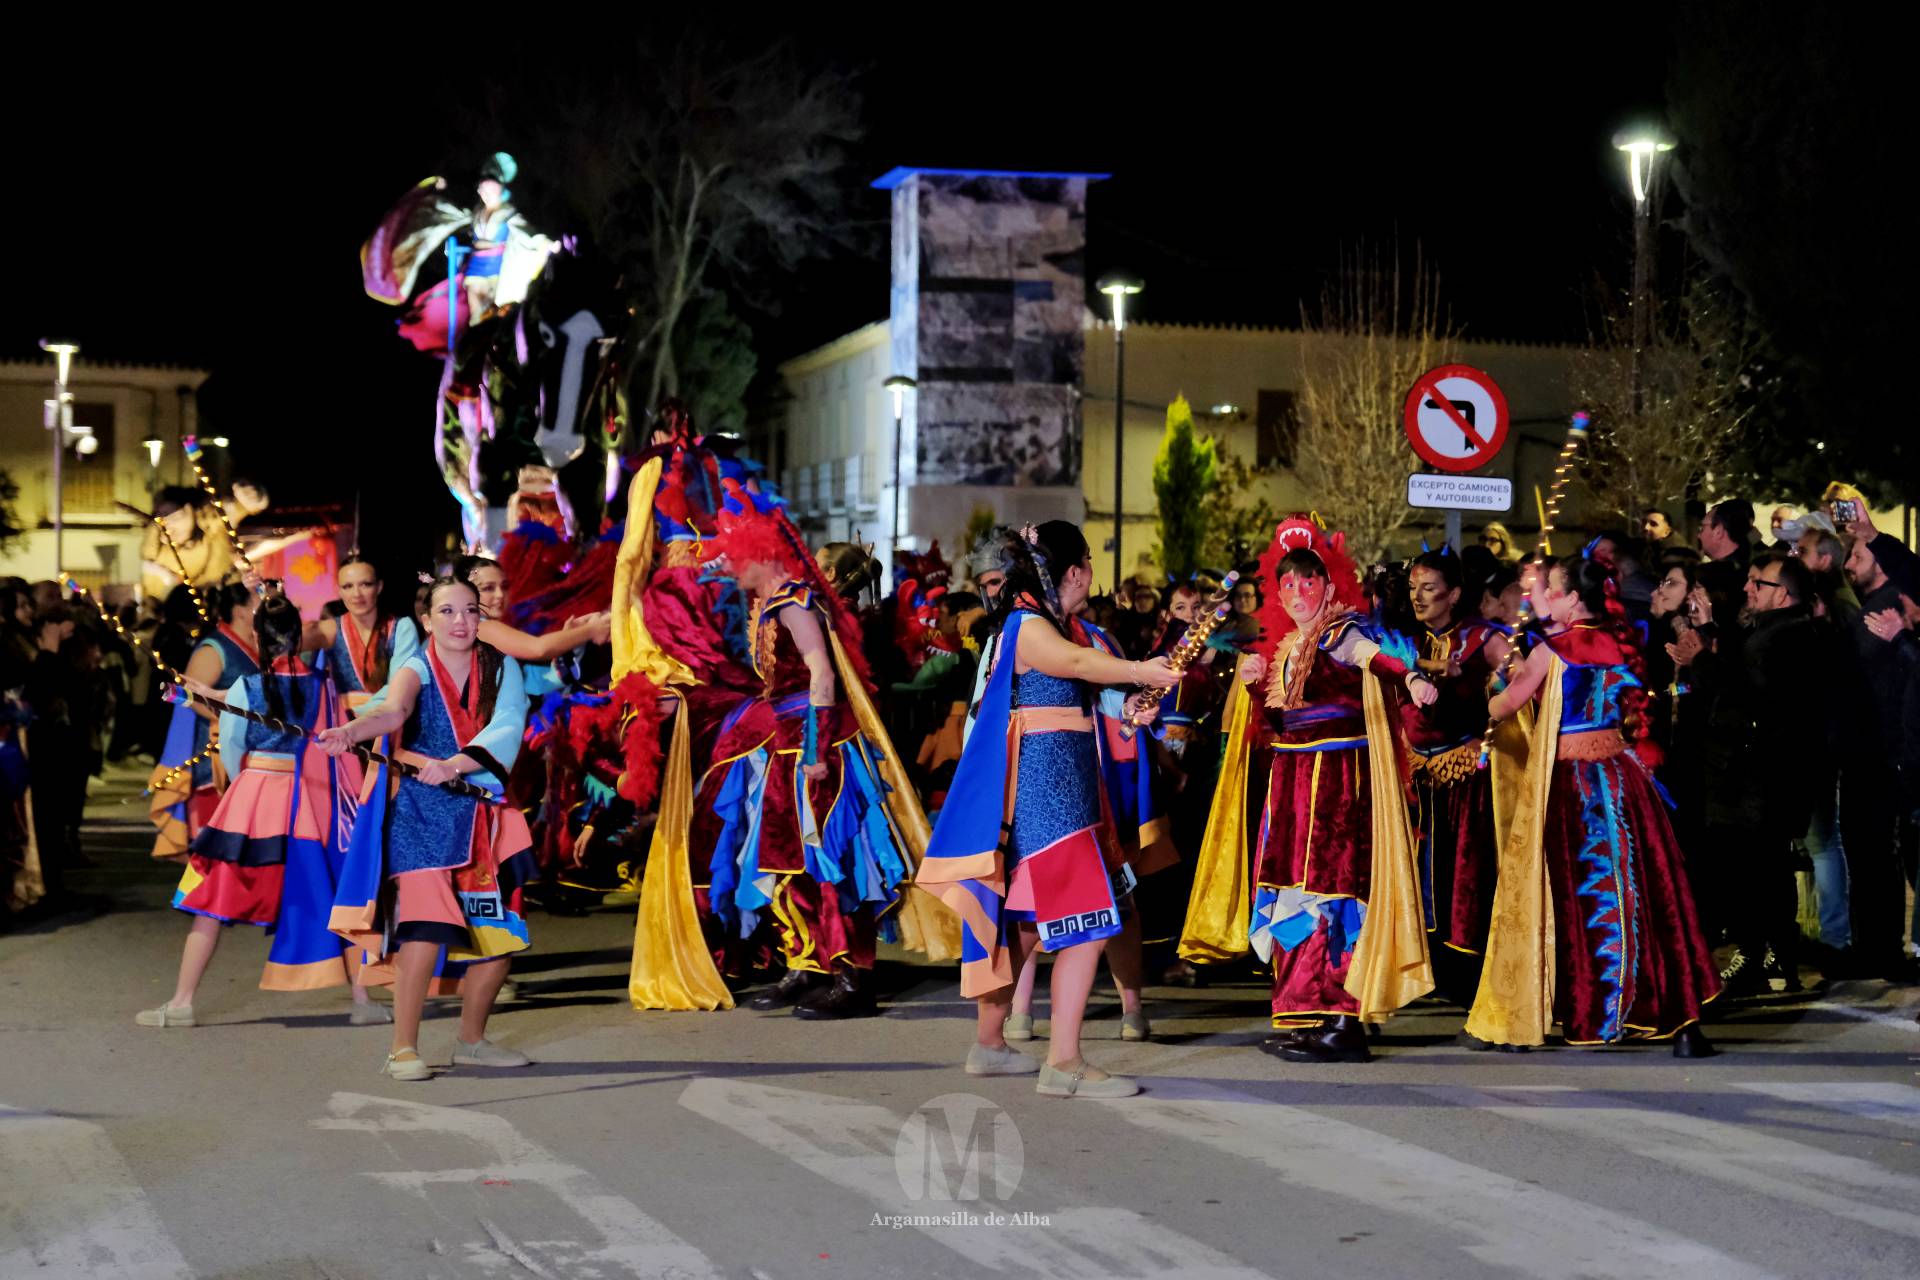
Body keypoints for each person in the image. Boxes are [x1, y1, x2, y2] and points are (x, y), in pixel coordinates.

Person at [919, 522, 1179, 1097]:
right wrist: (1143, 669)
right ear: (1072, 571)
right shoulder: (1030, 626)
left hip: (1055, 794)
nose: (1090, 572)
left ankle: (990, 1045)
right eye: (1085, 561)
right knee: (1089, 926)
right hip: (1051, 801)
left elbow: (1086, 686)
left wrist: (1130, 697)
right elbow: (1082, 667)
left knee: (1029, 925)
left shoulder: (1038, 625)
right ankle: (1063, 1063)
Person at [1184, 516, 1436, 1064]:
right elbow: (1279, 729)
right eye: (1288, 585)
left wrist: (1410, 677)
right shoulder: (1288, 648)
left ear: (1329, 585)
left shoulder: (1340, 631)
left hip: (1338, 786)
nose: (1298, 594)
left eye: (1309, 582)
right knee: (1295, 894)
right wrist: (1252, 688)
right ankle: (1308, 1013)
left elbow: (1372, 658)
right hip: (1294, 785)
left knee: (1336, 893)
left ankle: (1344, 1020)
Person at [686, 501, 925, 1019]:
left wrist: (815, 752)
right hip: (785, 749)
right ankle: (810, 963)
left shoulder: (795, 601)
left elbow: (821, 675)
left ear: (760, 555)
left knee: (834, 863)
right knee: (786, 862)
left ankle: (855, 978)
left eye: (735, 556)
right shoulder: (771, 603)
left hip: (817, 750)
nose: (730, 567)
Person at [1478, 556, 1719, 1056]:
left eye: (1552, 590)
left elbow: (1505, 707)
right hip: (1624, 778)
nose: (1543, 598)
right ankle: (1677, 1018)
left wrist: (1495, 683)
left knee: (1575, 895)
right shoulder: (1619, 645)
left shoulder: (1554, 650)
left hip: (1574, 786)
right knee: (1650, 896)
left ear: (1572, 600)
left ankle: (1589, 1009)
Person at [318, 574, 536, 1080]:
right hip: (419, 813)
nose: (461, 621)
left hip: (482, 814)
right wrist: (351, 731)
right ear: (427, 620)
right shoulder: (415, 668)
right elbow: (394, 711)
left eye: (470, 610)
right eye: (448, 612)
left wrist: (457, 763)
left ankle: (472, 1042)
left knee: (499, 937)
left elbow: (507, 725)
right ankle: (402, 1049)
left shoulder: (502, 667)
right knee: (423, 931)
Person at [136, 594, 381, 1026]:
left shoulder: (248, 686)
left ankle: (181, 1003)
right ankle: (362, 1000)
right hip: (313, 799)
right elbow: (333, 740)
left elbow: (232, 747)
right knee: (335, 893)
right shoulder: (323, 685)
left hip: (255, 799)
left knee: (209, 898)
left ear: (258, 636)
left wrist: (238, 779)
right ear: (298, 634)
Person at [1395, 551, 1506, 1015]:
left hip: (1465, 776)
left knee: (1462, 876)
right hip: (1414, 777)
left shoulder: (1484, 637)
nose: (1418, 597)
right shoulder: (1401, 642)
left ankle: (1464, 975)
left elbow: (1519, 679)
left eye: (1429, 587)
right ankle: (1420, 970)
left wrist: (1495, 683)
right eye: (1413, 588)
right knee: (1417, 873)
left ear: (1454, 593)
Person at [148, 584, 261, 861]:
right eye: (258, 600)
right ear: (241, 611)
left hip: (250, 755)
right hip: (214, 760)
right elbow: (190, 697)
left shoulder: (259, 643)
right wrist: (228, 718)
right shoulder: (214, 648)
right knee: (212, 850)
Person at [300, 554, 420, 714]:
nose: (357, 594)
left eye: (365, 584)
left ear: (379, 587)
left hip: (392, 725)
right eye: (348, 586)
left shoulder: (402, 628)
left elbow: (400, 688)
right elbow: (280, 644)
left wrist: (356, 714)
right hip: (343, 730)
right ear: (339, 591)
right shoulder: (329, 629)